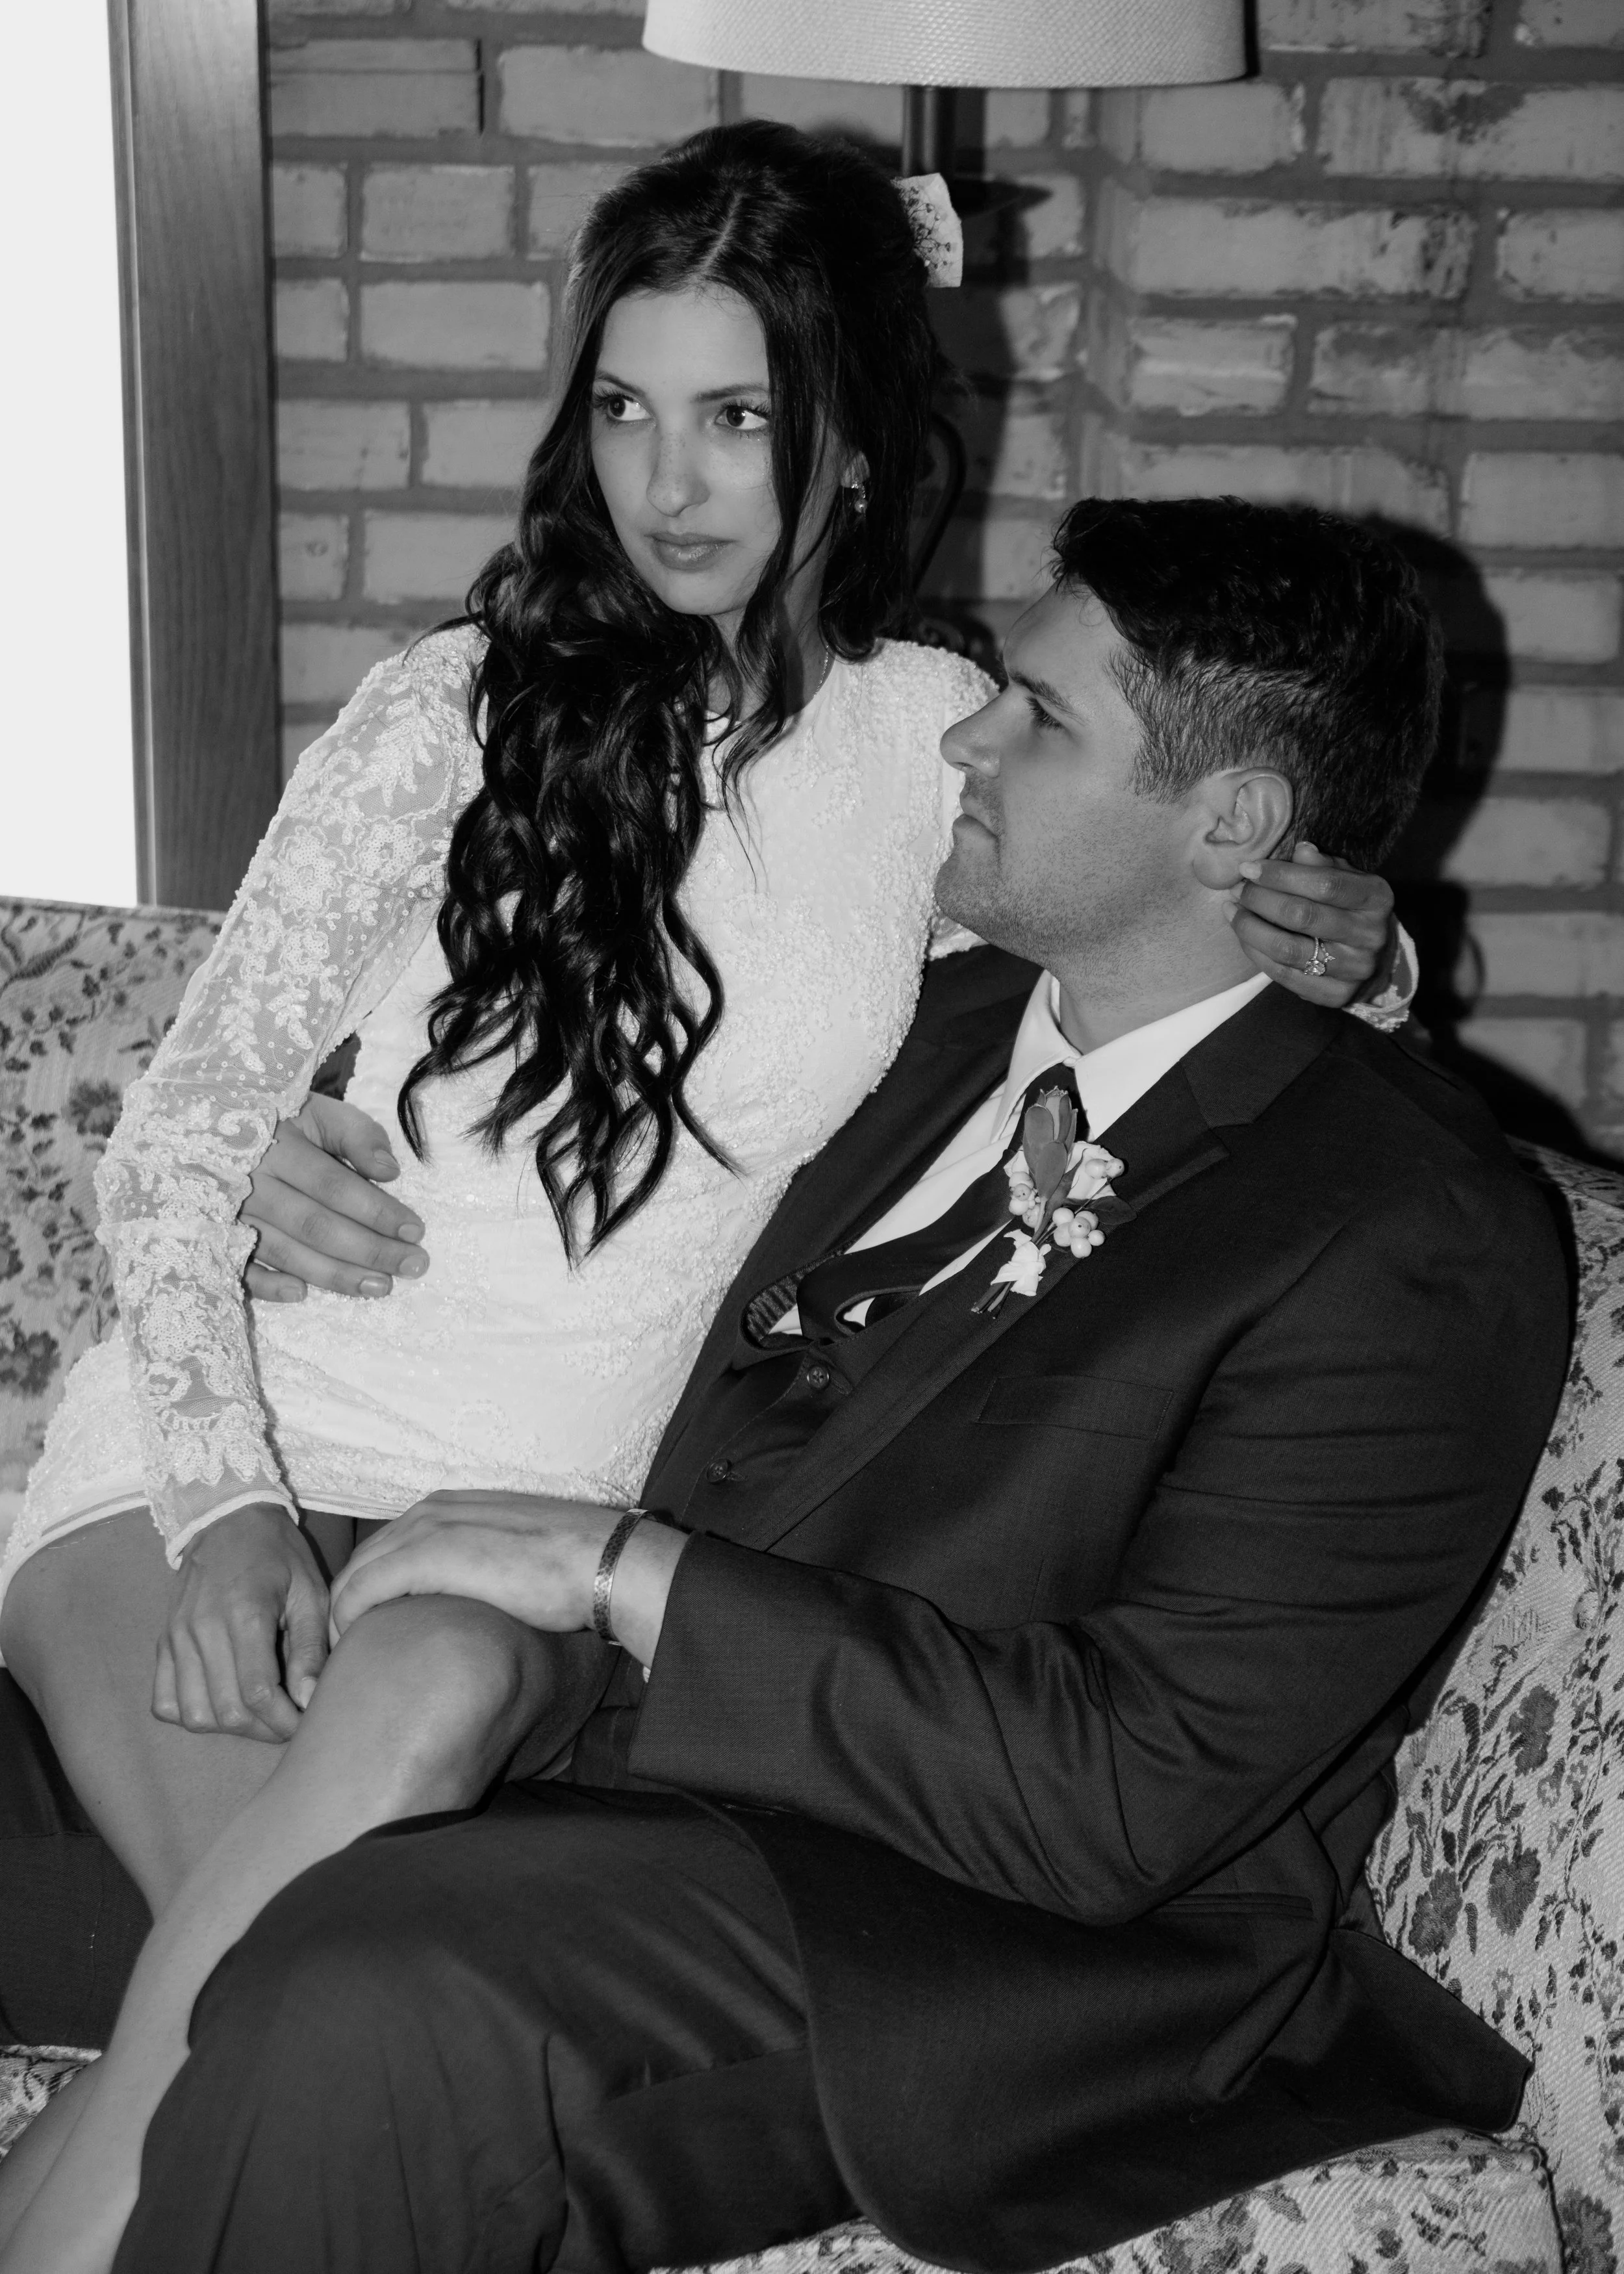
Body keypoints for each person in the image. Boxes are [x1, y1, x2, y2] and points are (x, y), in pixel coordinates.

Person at [0, 133, 1398, 2274]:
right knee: (266, 2036)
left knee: (402, 1744)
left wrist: (1355, 952)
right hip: (220, 1460)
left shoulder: (942, 747)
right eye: (628, 410)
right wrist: (230, 1508)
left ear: (846, 440)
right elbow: (178, 1135)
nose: (671, 482)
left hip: (534, 1537)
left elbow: (1143, 969)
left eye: (736, 415)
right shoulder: (445, 713)